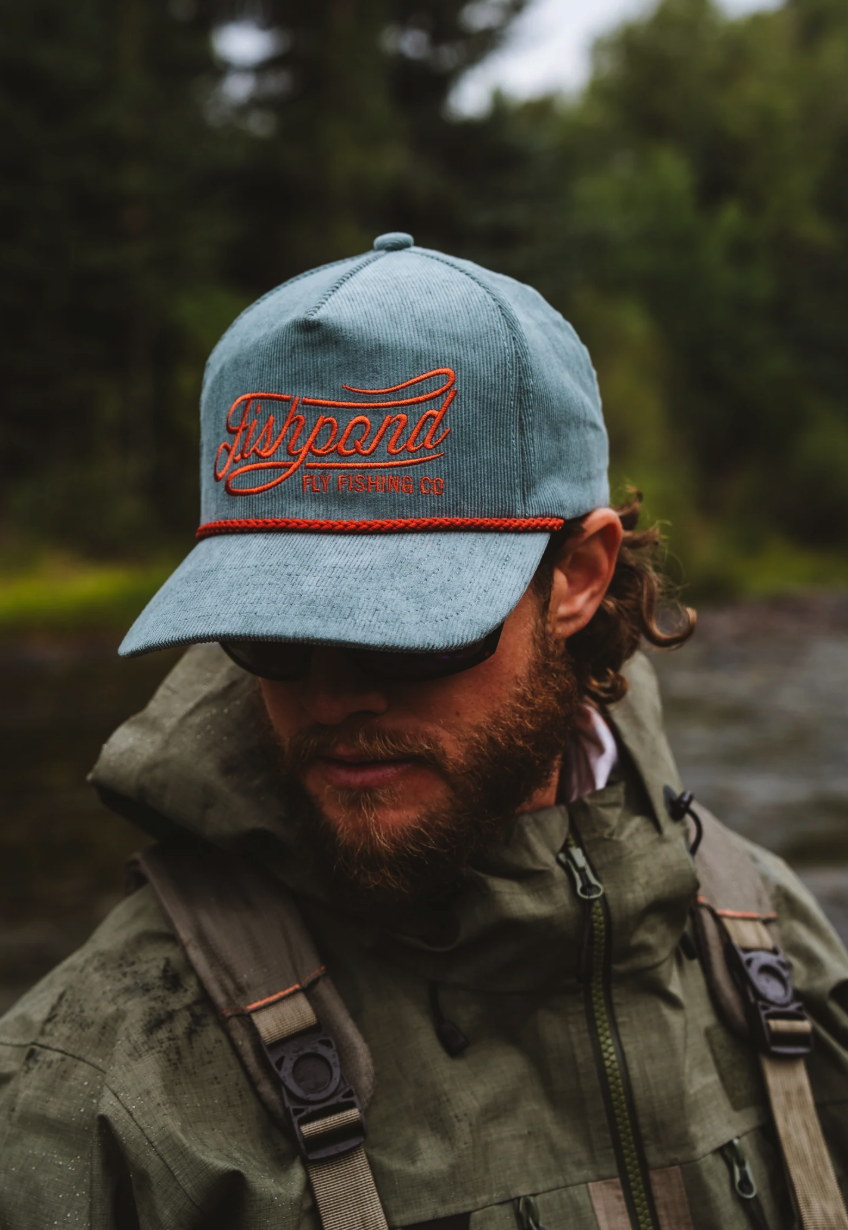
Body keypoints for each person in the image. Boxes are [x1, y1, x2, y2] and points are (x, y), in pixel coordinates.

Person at [1, 232, 846, 1230]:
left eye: (403, 633)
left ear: (576, 578)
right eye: (274, 634)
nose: (331, 698)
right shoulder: (91, 1094)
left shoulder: (771, 948)